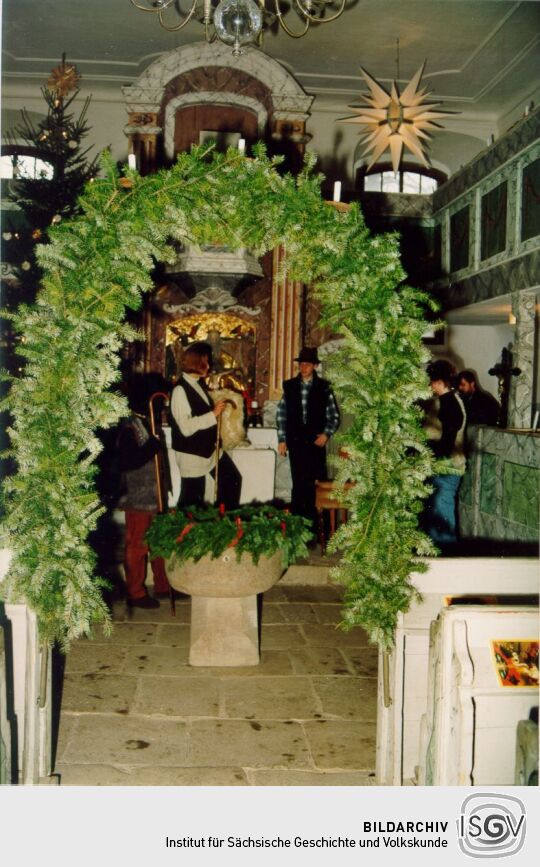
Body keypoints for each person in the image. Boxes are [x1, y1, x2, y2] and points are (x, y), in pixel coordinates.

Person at [116, 373, 171, 608]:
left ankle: (163, 585)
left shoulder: (147, 420)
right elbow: (127, 461)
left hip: (154, 493)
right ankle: (135, 591)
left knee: (159, 540)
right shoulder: (129, 425)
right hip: (138, 496)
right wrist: (151, 447)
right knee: (137, 544)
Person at [170, 342, 242, 509]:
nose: (209, 366)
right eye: (206, 361)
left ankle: (224, 523)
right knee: (191, 500)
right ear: (197, 364)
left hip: (209, 450)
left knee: (232, 480)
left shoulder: (197, 384)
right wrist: (213, 414)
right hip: (192, 454)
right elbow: (186, 428)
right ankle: (183, 533)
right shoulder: (180, 390)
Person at [276, 346, 340, 528]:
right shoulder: (289, 386)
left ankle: (317, 529)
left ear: (314, 366)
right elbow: (281, 414)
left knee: (316, 486)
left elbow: (334, 416)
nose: (303, 367)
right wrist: (282, 440)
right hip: (296, 443)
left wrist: (327, 434)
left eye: (307, 364)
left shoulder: (324, 387)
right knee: (298, 485)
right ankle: (297, 527)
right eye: (301, 364)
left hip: (315, 444)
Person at [423, 359, 467, 548]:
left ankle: (448, 560)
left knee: (442, 519)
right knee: (437, 518)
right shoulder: (444, 401)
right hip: (440, 467)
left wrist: (425, 453)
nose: (429, 385)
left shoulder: (450, 404)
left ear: (439, 382)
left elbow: (447, 443)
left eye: (431, 381)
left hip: (446, 469)